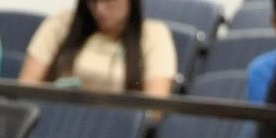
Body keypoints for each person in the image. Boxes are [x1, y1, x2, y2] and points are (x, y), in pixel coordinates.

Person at [20, 0, 178, 94]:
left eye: (108, 1)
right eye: (93, 1)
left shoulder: (154, 34)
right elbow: (25, 90)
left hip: (116, 130)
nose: (99, 9)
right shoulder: (61, 23)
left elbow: (154, 109)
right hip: (57, 123)